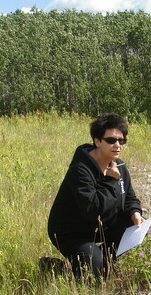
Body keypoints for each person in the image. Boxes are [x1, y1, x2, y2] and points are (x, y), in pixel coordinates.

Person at [47, 113, 144, 280]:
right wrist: (110, 180)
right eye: (111, 140)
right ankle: (57, 268)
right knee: (95, 278)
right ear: (97, 141)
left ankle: (102, 263)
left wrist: (135, 212)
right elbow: (93, 209)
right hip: (72, 232)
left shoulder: (118, 165)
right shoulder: (80, 170)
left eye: (122, 141)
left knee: (137, 227)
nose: (117, 145)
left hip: (102, 227)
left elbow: (129, 197)